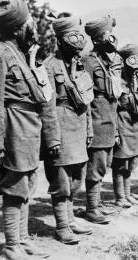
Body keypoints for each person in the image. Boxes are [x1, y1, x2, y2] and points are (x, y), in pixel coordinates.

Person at [0, 0, 60, 260]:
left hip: (30, 128)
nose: (34, 25)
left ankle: (23, 240)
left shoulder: (22, 53)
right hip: (13, 129)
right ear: (18, 26)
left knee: (28, 183)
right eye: (29, 21)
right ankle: (10, 245)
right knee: (14, 187)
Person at [43, 14, 94, 245]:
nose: (77, 46)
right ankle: (62, 226)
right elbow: (47, 105)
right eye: (71, 38)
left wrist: (89, 128)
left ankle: (71, 219)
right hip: (61, 128)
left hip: (79, 128)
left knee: (77, 178)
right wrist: (52, 138)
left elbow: (86, 100)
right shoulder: (49, 66)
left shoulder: (80, 65)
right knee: (61, 182)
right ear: (61, 40)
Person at [83, 15, 124, 218]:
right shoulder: (88, 61)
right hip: (97, 119)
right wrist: (89, 127)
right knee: (96, 166)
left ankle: (96, 204)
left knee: (104, 164)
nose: (112, 39)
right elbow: (87, 97)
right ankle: (91, 208)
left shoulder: (109, 62)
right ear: (98, 39)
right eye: (108, 35)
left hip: (109, 119)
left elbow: (114, 97)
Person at [113, 44, 138, 206]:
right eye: (131, 61)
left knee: (131, 161)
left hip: (136, 125)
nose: (135, 67)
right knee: (120, 163)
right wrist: (115, 131)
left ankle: (127, 194)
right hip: (122, 124)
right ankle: (120, 197)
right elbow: (112, 108)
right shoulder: (117, 80)